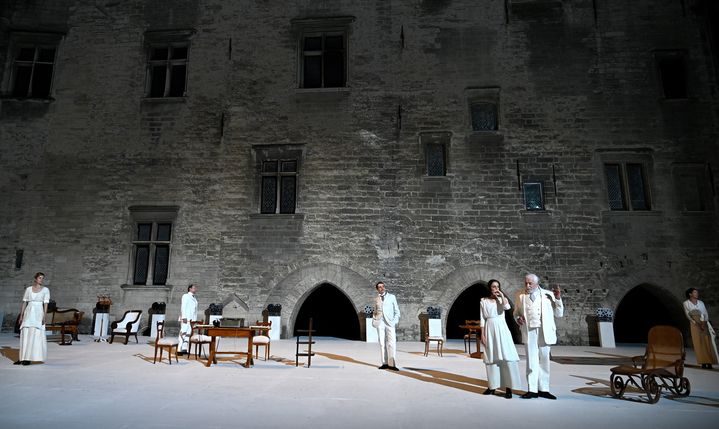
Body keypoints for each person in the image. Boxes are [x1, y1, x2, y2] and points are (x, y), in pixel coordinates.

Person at [514, 273, 564, 399]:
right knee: (531, 361)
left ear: (537, 284)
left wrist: (558, 299)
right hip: (529, 330)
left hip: (544, 331)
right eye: (526, 283)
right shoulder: (520, 295)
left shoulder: (548, 294)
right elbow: (516, 313)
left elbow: (559, 314)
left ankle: (544, 389)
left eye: (530, 283)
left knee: (544, 360)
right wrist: (517, 318)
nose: (527, 285)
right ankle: (532, 390)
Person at [480, 279, 521, 399]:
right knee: (491, 357)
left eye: (497, 286)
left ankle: (508, 388)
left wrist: (501, 295)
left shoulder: (502, 300)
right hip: (489, 328)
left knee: (506, 356)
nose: (496, 288)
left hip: (502, 329)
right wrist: (482, 334)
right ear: (490, 288)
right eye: (493, 286)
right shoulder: (484, 301)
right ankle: (492, 386)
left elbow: (507, 307)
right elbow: (482, 318)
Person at [15, 272, 50, 365]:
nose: (41, 280)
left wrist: (44, 316)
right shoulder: (28, 289)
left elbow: (46, 304)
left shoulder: (45, 290)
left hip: (38, 313)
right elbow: (24, 303)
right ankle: (22, 357)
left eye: (42, 278)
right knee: (25, 334)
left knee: (33, 335)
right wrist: (21, 316)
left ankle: (28, 358)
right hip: (28, 313)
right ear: (35, 279)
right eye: (39, 278)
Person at [683, 288, 718, 369]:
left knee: (707, 342)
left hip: (704, 323)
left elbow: (705, 313)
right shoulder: (686, 303)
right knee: (698, 343)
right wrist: (696, 323)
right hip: (694, 323)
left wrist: (703, 322)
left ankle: (709, 362)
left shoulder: (701, 303)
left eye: (697, 292)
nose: (697, 294)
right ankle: (703, 362)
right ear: (690, 294)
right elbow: (688, 315)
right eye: (695, 292)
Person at [372, 281, 400, 371]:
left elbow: (397, 311)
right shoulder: (376, 299)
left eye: (383, 286)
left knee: (391, 343)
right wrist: (375, 319)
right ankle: (384, 363)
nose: (382, 288)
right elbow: (375, 311)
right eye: (380, 287)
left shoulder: (392, 297)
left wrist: (394, 321)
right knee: (382, 343)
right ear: (377, 289)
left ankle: (392, 364)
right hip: (380, 322)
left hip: (390, 323)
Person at [178, 283, 199, 356]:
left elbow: (195, 310)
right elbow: (183, 306)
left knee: (188, 334)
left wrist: (194, 320)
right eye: (194, 288)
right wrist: (184, 317)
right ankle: (179, 349)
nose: (195, 289)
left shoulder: (194, 298)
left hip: (191, 319)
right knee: (183, 332)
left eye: (195, 288)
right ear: (190, 289)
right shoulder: (185, 296)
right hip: (186, 318)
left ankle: (184, 348)